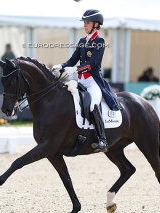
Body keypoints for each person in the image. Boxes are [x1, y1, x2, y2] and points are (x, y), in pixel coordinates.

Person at [52, 9, 122, 153]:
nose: (85, 25)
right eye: (84, 22)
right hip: (81, 81)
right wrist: (62, 66)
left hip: (93, 81)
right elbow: (73, 59)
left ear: (96, 25)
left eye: (88, 22)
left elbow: (93, 63)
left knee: (93, 105)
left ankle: (102, 139)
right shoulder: (82, 41)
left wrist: (75, 70)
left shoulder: (99, 42)